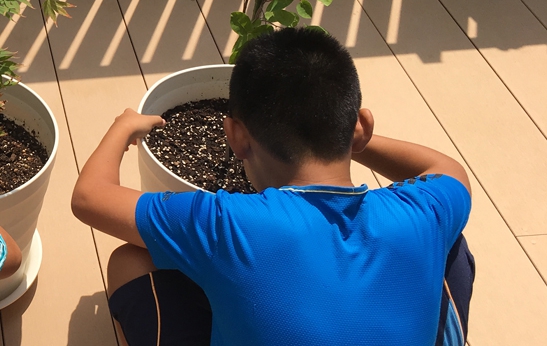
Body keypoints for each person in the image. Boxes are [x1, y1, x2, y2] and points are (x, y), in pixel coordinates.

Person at [72, 27, 474, 346]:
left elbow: (90, 196)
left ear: (236, 137)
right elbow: (447, 168)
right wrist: (348, 137)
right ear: (361, 127)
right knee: (450, 243)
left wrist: (122, 127)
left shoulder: (228, 224)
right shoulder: (421, 210)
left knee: (129, 260)